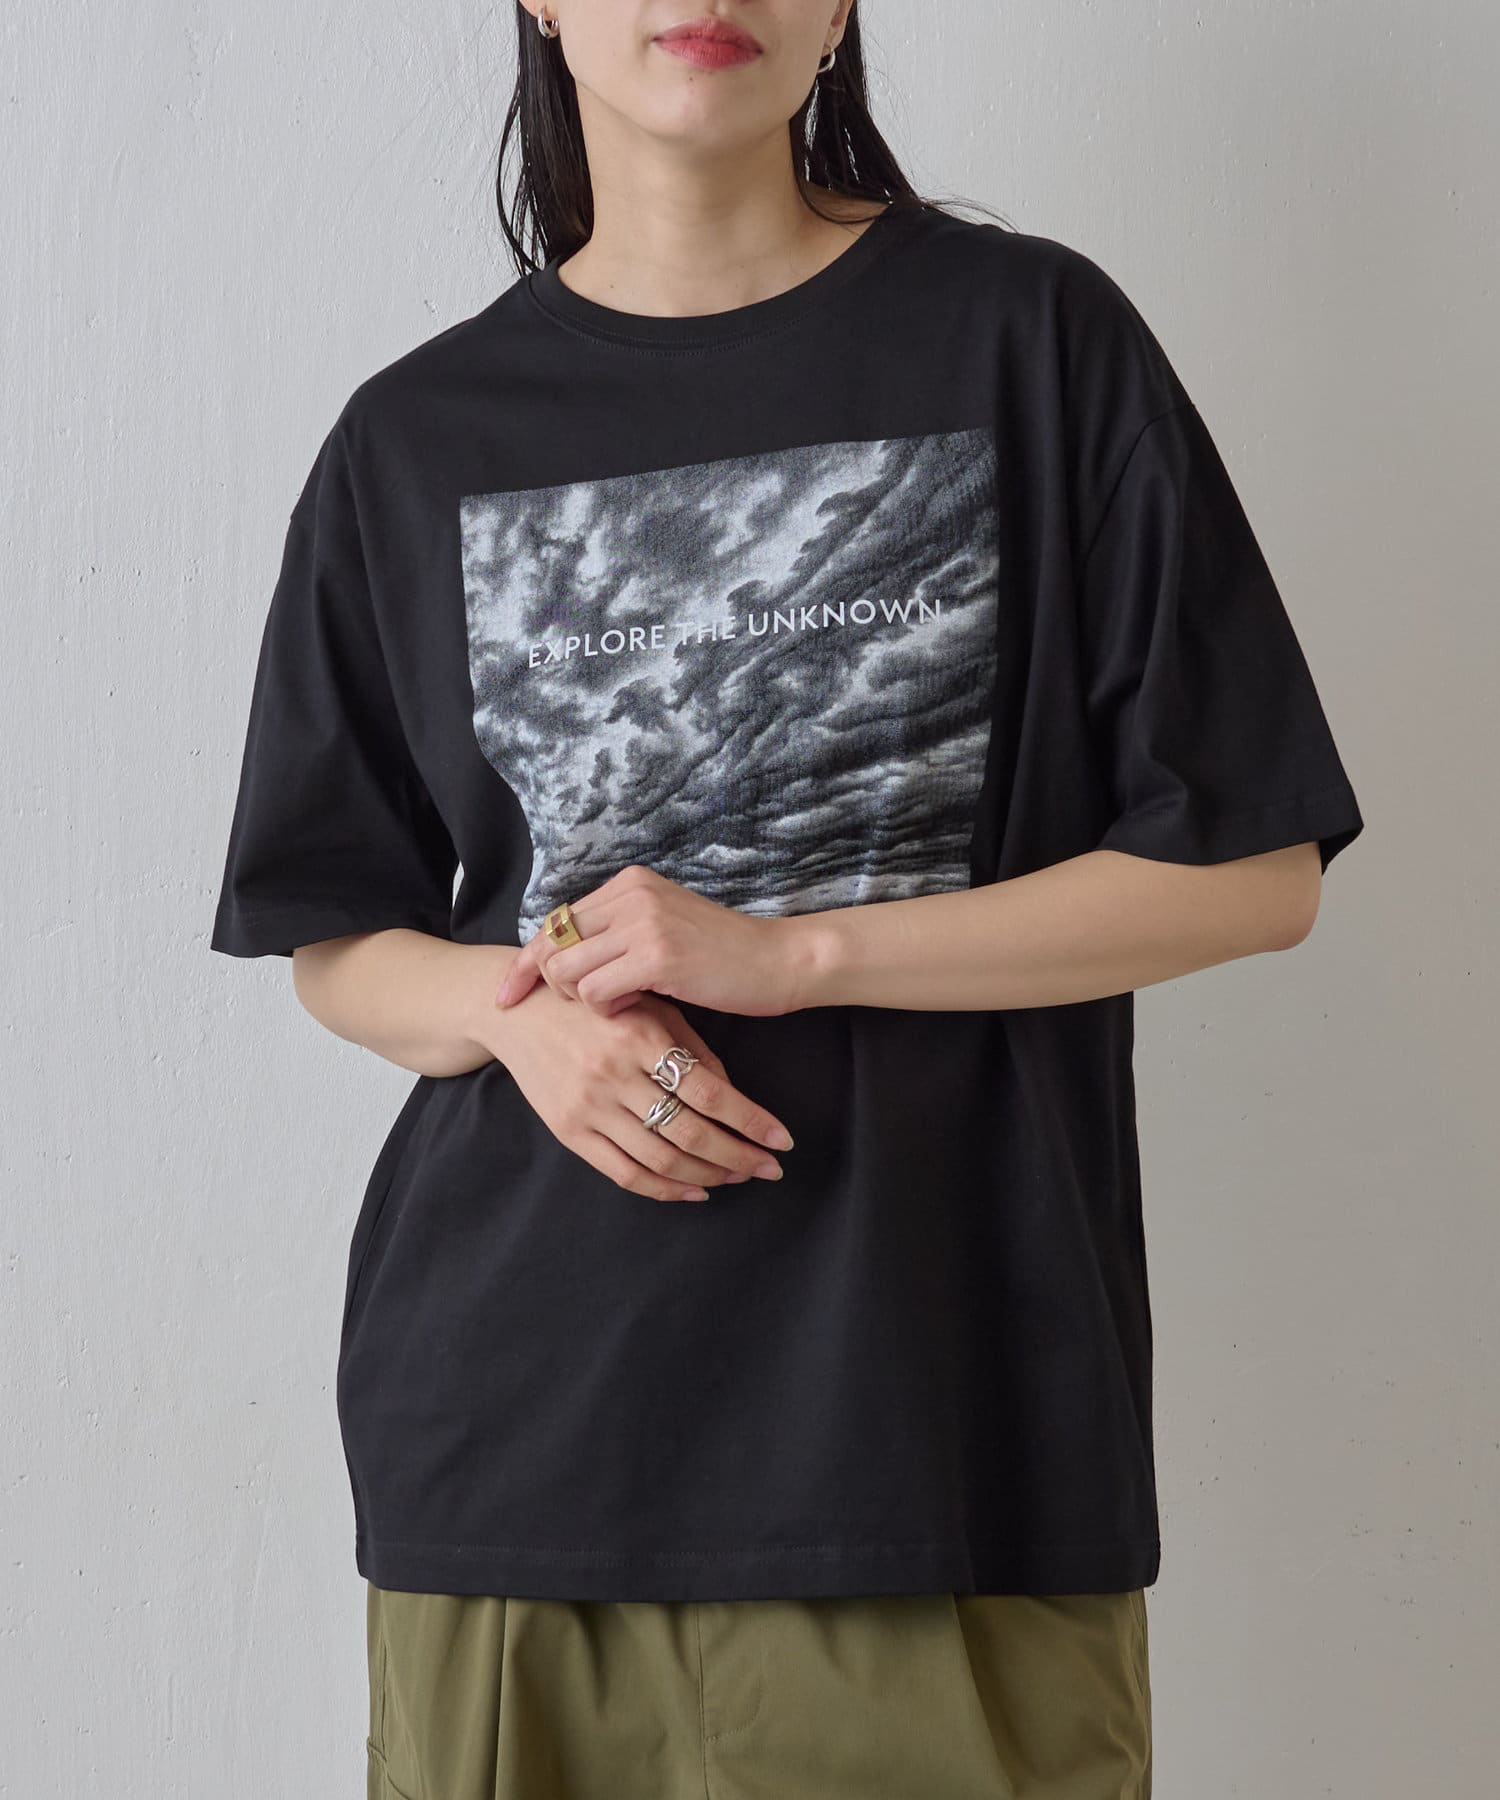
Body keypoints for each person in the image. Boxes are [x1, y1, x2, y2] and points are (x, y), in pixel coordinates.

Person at [208, 2, 1365, 1796]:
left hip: (945, 1428)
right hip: (520, 1444)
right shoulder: (414, 436)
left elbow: (1252, 869)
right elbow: (337, 936)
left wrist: (798, 952)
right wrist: (526, 1027)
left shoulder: (1034, 339)